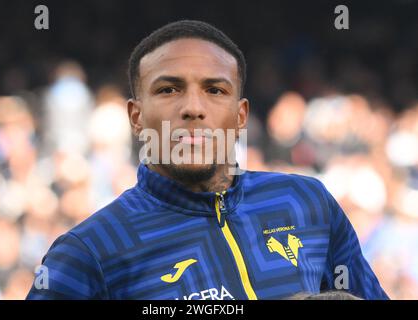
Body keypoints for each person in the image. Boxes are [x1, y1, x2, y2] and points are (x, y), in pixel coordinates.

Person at [26, 20, 388, 300]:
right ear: (136, 117)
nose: (193, 108)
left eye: (215, 90)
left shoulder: (307, 203)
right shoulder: (90, 251)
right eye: (168, 89)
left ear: (241, 116)